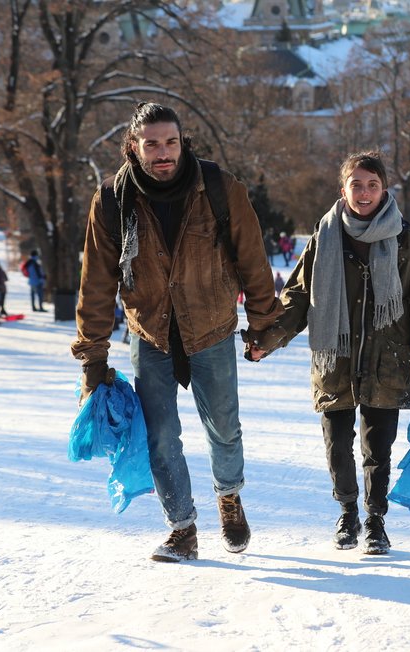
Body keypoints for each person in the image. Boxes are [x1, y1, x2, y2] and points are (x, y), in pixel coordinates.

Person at [71, 102, 283, 563]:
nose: (162, 152)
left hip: (211, 328)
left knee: (223, 430)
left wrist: (264, 325)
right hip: (151, 334)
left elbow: (252, 259)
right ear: (134, 147)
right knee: (160, 436)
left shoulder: (221, 189)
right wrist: (93, 357)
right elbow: (97, 283)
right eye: (151, 144)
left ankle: (229, 497)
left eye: (170, 142)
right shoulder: (111, 200)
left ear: (182, 142)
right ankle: (182, 528)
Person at [247, 150, 410, 555]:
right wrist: (266, 342)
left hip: (386, 362)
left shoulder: (404, 243)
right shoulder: (324, 239)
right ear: (342, 190)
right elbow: (297, 300)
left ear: (384, 190)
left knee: (378, 449)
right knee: (336, 444)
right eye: (356, 184)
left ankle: (375, 520)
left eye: (372, 185)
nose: (364, 192)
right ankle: (347, 512)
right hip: (335, 360)